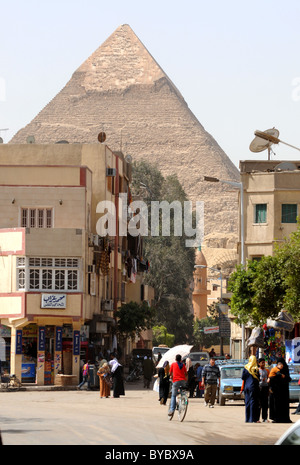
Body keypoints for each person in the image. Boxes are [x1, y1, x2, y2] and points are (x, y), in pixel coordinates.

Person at [268, 357, 292, 423]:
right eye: (279, 364)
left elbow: (289, 379)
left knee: (284, 405)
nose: (280, 365)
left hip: (284, 391)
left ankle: (284, 419)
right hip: (277, 391)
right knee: (276, 404)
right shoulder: (275, 370)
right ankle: (276, 418)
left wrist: (284, 376)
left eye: (281, 364)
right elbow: (271, 378)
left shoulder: (285, 370)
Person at [240, 355, 260, 422]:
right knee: (253, 402)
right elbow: (258, 379)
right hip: (253, 387)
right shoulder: (256, 369)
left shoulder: (245, 368)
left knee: (247, 402)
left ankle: (247, 419)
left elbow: (243, 378)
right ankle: (252, 419)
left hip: (247, 387)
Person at [258, 358, 269, 422]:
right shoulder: (257, 370)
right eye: (262, 362)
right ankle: (257, 418)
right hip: (259, 388)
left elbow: (269, 377)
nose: (263, 364)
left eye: (264, 362)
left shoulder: (266, 370)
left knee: (265, 404)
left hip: (265, 388)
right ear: (259, 363)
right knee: (259, 404)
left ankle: (265, 418)